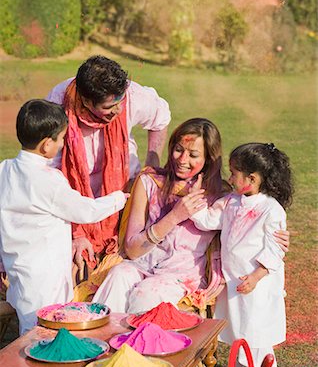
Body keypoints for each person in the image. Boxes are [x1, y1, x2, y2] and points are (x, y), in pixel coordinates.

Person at [92, 120, 289, 315]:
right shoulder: (150, 182)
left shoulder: (221, 196)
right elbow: (132, 251)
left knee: (147, 294)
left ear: (209, 159)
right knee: (118, 276)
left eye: (193, 155)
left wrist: (276, 237)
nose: (182, 159)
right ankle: (96, 342)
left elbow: (253, 216)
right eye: (179, 149)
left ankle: (134, 346)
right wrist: (175, 216)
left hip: (179, 275)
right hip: (141, 263)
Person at [0, 100, 128, 334]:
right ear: (47, 145)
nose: (62, 144)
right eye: (61, 139)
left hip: (17, 269)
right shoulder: (48, 180)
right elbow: (85, 210)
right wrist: (117, 199)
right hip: (46, 275)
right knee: (43, 332)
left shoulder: (5, 169)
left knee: (29, 326)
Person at [46, 55, 171, 270]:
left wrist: (152, 162)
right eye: (109, 106)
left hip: (123, 193)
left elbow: (161, 117)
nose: (119, 110)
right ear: (85, 101)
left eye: (120, 102)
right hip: (73, 199)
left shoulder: (132, 95)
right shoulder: (59, 102)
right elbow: (50, 170)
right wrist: (76, 231)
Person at [190, 142, 294, 367]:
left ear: (252, 178)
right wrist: (190, 203)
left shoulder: (271, 209)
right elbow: (208, 220)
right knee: (240, 327)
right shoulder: (230, 202)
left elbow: (275, 249)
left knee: (256, 330)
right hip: (235, 280)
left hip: (258, 283)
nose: (230, 178)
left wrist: (257, 276)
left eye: (234, 174)